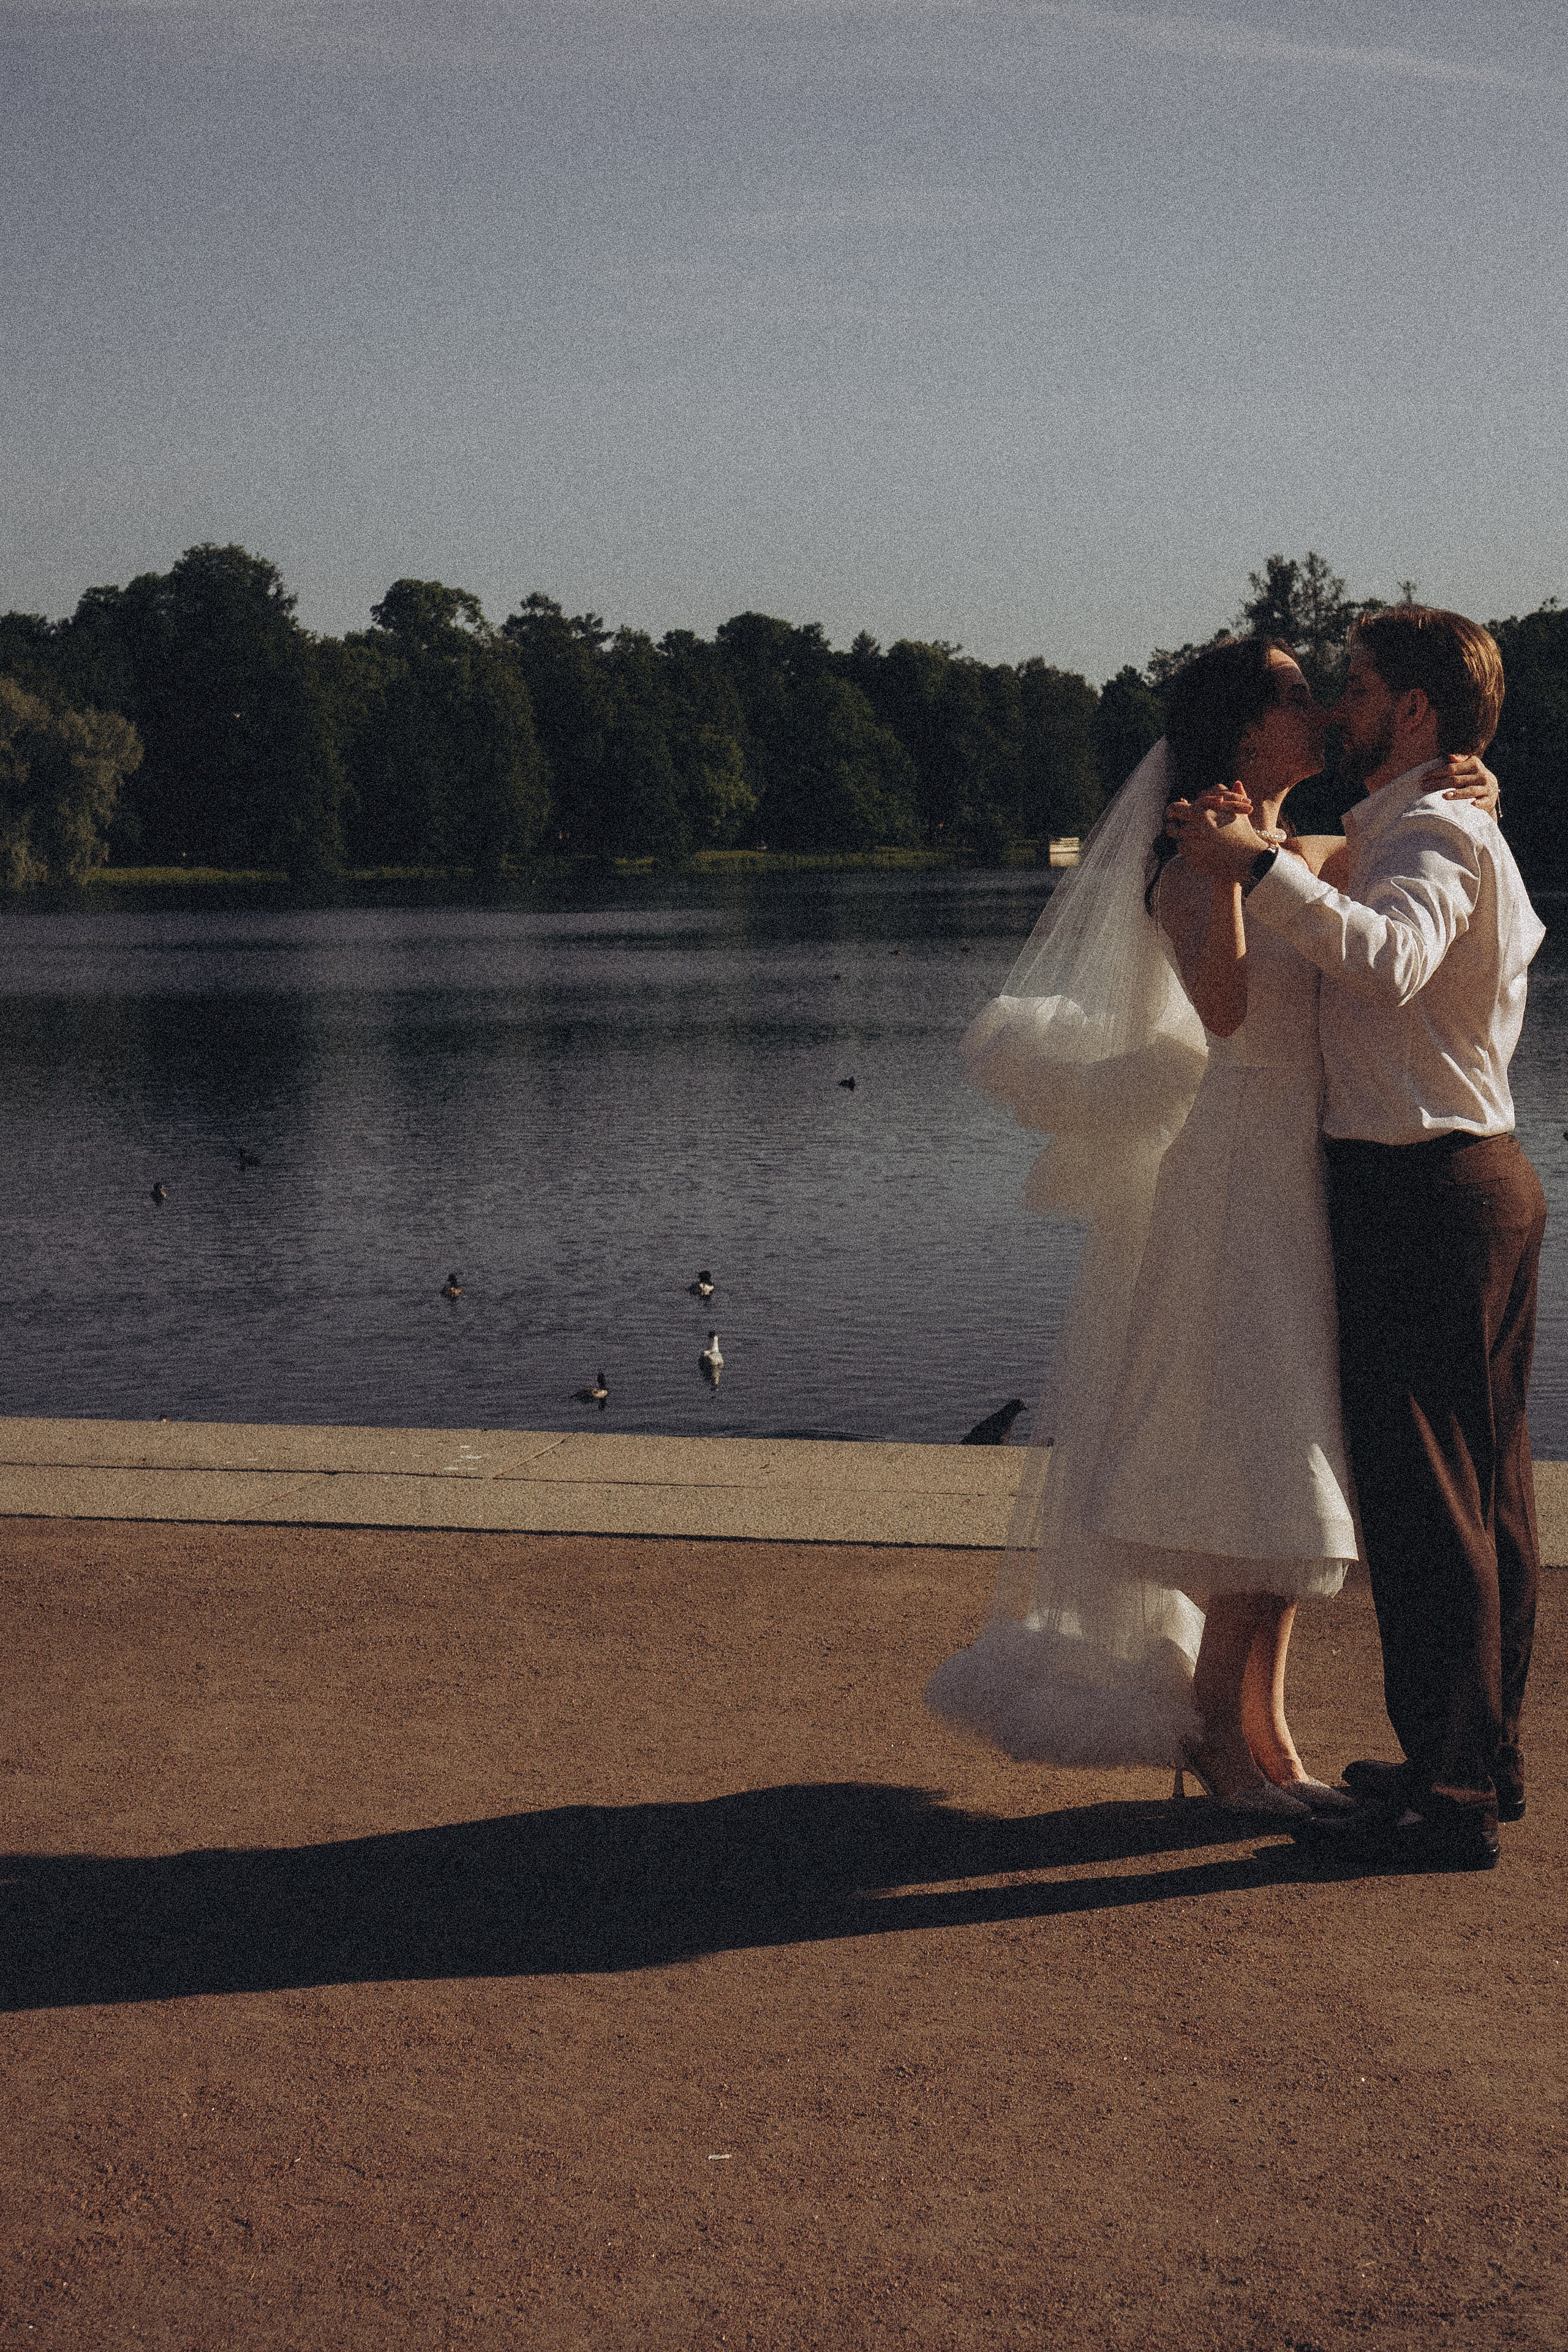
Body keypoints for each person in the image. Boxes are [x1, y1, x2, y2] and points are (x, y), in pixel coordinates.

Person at [926, 633, 1496, 1819]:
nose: (1321, 711)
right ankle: (1223, 1754)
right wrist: (1231, 871)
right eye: (1296, 697)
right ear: (1241, 729)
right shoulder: (1192, 847)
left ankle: (1268, 1743)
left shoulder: (1288, 840)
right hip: (1236, 1172)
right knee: (1261, 1463)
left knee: (1293, 1465)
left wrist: (1464, 784)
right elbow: (1228, 1012)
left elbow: (1374, 899)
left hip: (1298, 1168)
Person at [1170, 608, 1544, 1871]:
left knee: (1438, 1506)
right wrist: (1251, 858)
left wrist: (1254, 871)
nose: (1340, 705)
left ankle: (1446, 1797)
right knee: (1477, 1496)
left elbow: (1387, 964)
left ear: (1417, 713)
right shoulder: (1419, 821)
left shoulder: (1433, 828)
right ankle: (1468, 1766)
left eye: (1360, 685)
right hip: (1438, 1182)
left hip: (1425, 1189)